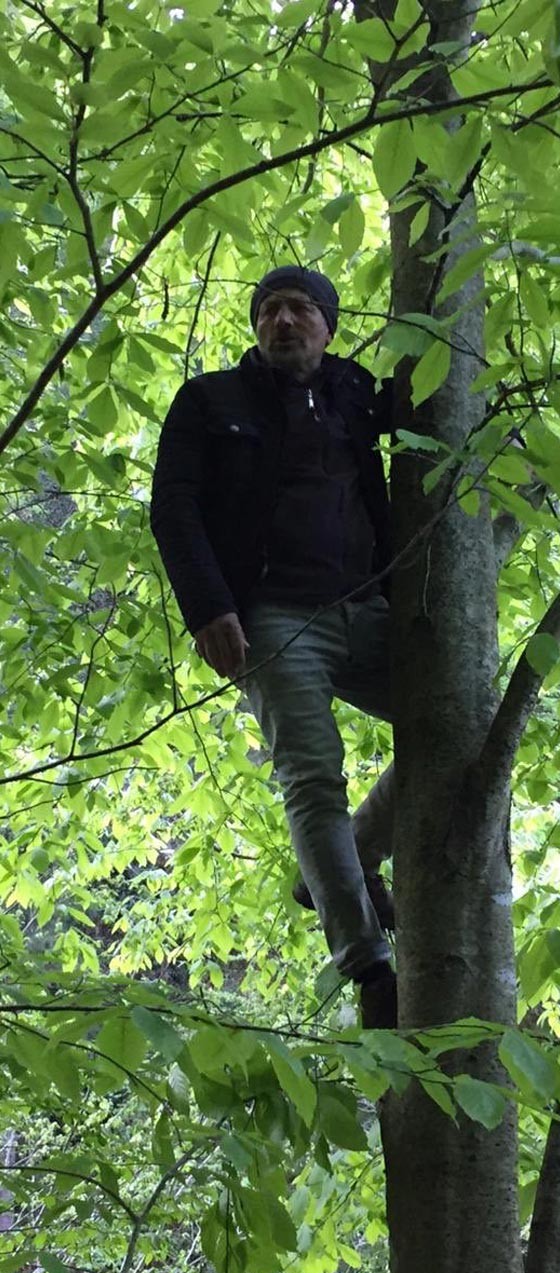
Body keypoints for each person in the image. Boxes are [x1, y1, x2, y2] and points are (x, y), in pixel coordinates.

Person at [148, 265, 399, 1030]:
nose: (283, 322)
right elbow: (173, 508)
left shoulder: (356, 391)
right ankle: (368, 966)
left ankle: (348, 857)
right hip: (274, 617)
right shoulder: (209, 401)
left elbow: (435, 421)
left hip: (371, 606)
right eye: (270, 311)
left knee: (462, 728)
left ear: (329, 324)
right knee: (312, 774)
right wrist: (208, 609)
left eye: (300, 310)